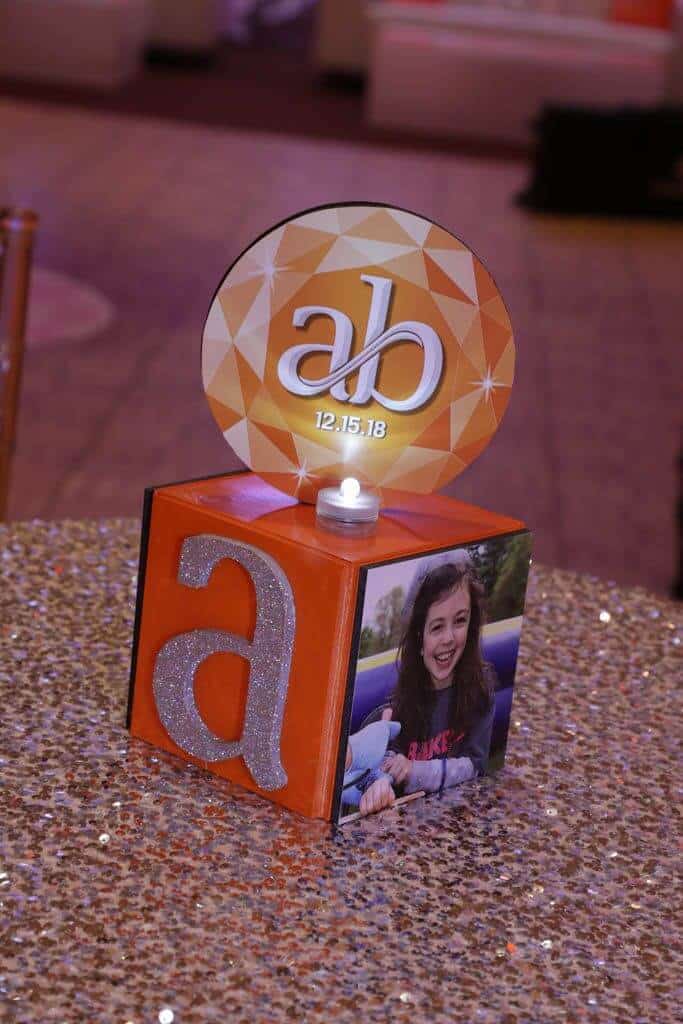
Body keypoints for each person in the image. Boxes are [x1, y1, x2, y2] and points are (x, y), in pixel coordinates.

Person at [363, 556, 495, 810]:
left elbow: (475, 766)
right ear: (419, 639)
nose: (448, 638)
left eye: (460, 621)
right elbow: (380, 761)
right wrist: (383, 780)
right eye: (436, 627)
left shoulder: (481, 687)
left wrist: (416, 771)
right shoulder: (396, 707)